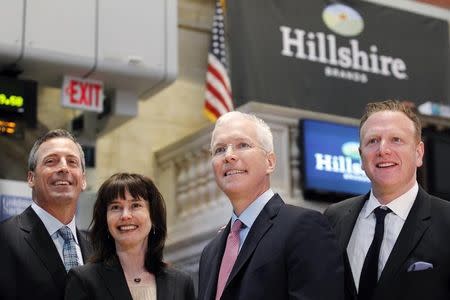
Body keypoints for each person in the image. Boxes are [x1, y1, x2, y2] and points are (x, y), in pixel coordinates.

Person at [198, 111, 344, 300]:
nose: (229, 156)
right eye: (219, 149)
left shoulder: (305, 227)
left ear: (270, 162)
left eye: (243, 145)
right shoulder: (210, 252)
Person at [324, 100, 450, 300]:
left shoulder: (446, 220)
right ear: (361, 157)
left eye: (396, 139)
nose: (383, 150)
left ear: (418, 153)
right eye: (372, 141)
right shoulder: (334, 218)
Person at [65, 172, 195, 300]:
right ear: (105, 220)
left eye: (135, 205)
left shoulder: (181, 283)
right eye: (116, 207)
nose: (125, 215)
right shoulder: (84, 281)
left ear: (153, 216)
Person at [0, 129, 91, 300]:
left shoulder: (99, 248)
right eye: (51, 161)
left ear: (83, 180)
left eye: (72, 162)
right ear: (31, 178)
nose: (64, 168)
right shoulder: (4, 239)